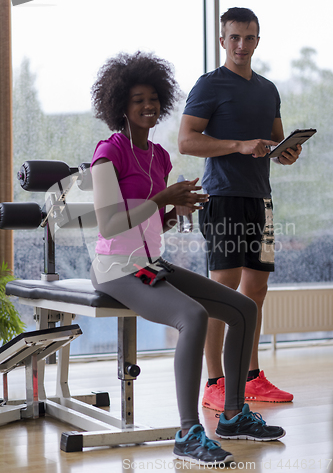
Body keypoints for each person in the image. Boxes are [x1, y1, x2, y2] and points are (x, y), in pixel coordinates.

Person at [89, 51, 286, 467]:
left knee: (244, 308)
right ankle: (187, 432)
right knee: (192, 315)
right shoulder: (109, 151)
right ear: (121, 105)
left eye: (154, 98)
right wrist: (162, 199)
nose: (148, 106)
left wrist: (173, 211)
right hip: (117, 268)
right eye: (138, 99)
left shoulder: (159, 157)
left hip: (150, 264)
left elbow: (150, 223)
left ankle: (233, 416)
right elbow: (108, 225)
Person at [178, 7, 301, 413]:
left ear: (258, 40)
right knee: (223, 288)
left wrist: (287, 152)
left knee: (257, 290)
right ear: (222, 41)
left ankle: (250, 377)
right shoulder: (210, 85)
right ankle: (215, 382)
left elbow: (276, 141)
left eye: (249, 38)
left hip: (259, 198)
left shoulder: (267, 89)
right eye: (234, 38)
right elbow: (186, 141)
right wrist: (238, 144)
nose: (242, 46)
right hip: (223, 197)